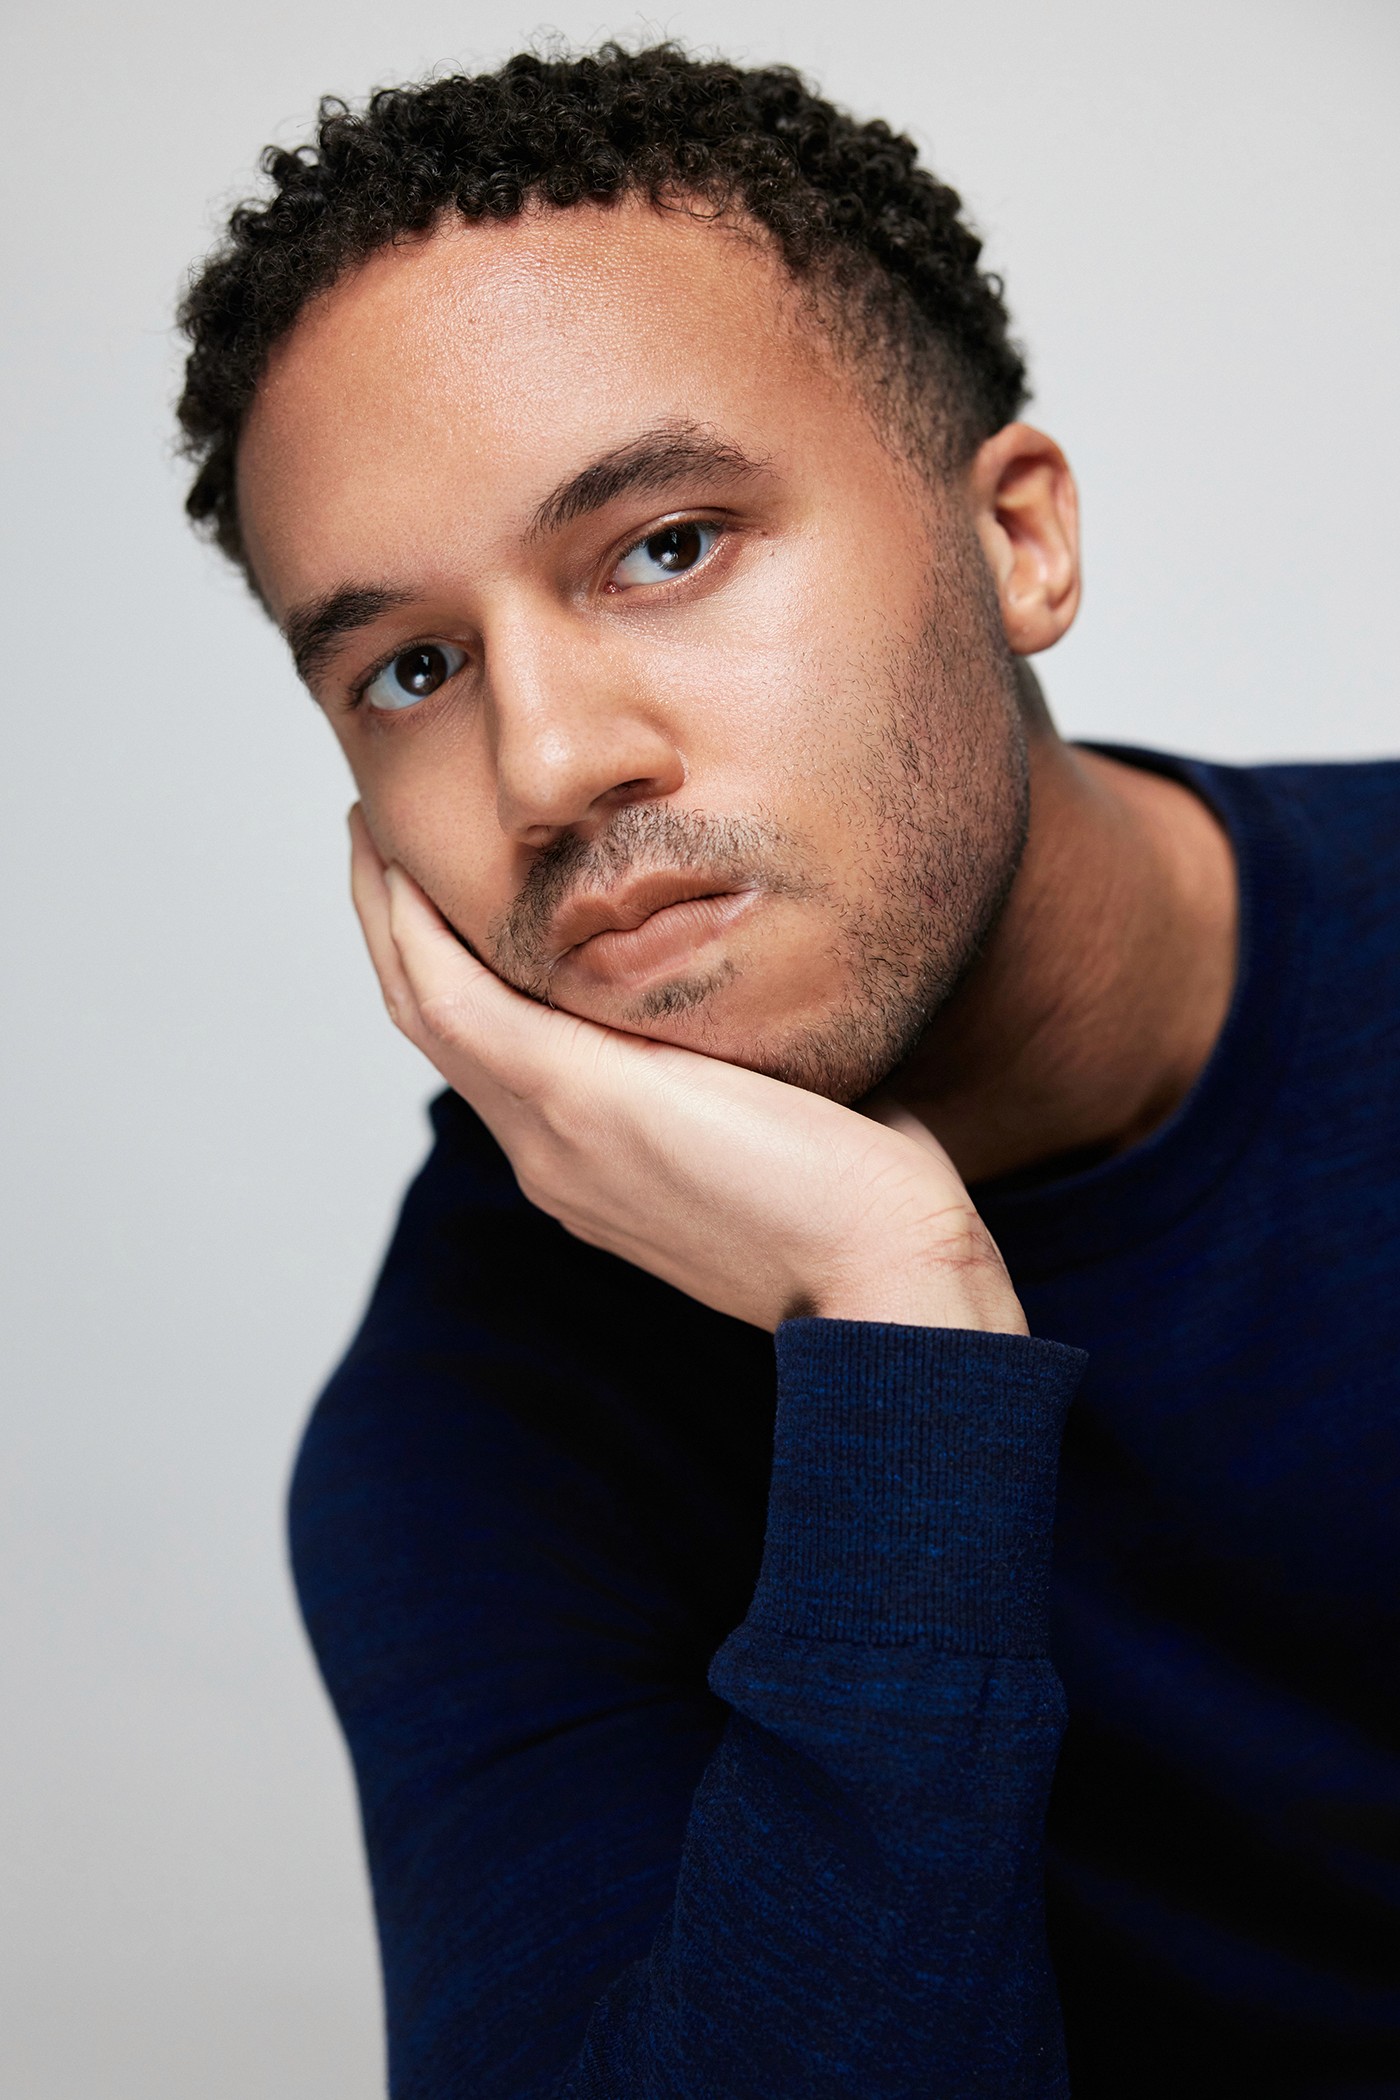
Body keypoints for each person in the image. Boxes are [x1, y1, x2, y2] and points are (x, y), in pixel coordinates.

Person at [176, 44, 1400, 2098]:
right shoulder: (471, 1430)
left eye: (665, 545)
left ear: (1016, 539)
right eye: (412, 669)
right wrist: (899, 1319)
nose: (551, 764)